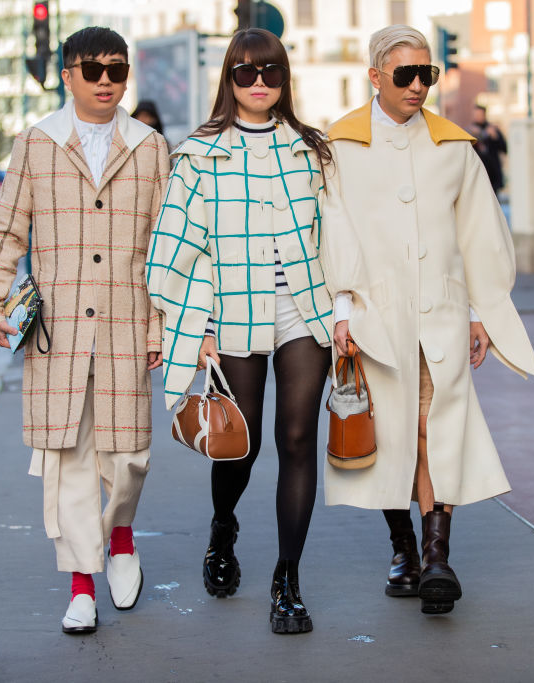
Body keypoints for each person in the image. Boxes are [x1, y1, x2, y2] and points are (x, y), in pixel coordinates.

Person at [318, 25, 534, 616]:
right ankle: (404, 552)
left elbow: (479, 235)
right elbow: (332, 229)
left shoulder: (454, 147)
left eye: (428, 75)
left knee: (431, 429)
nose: (418, 86)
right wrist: (340, 307)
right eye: (404, 75)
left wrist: (478, 311)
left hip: (440, 314)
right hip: (372, 318)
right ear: (375, 77)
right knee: (386, 435)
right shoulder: (338, 147)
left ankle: (437, 557)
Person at [0, 26, 169, 635]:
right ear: (68, 75)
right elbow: (9, 231)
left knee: (129, 454)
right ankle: (82, 583)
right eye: (92, 69)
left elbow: (168, 244)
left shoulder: (151, 146)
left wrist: (167, 323)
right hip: (57, 328)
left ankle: (123, 536)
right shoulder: (36, 144)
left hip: (127, 322)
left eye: (116, 69)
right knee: (70, 457)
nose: (106, 80)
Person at [146, 28, 334, 635]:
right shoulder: (198, 155)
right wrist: (192, 326)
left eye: (271, 73)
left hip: (305, 308)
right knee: (242, 441)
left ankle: (288, 578)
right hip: (231, 310)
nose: (259, 84)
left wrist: (349, 309)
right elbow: (176, 246)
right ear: (228, 79)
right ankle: (223, 526)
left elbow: (339, 236)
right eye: (246, 73)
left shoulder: (312, 151)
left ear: (285, 80)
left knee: (299, 437)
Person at [470, 96, 507, 193]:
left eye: (479, 114)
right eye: (475, 114)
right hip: (478, 173)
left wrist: (495, 137)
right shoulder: (470, 131)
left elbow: (505, 148)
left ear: (484, 115)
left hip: (493, 175)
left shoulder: (493, 129)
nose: (477, 116)